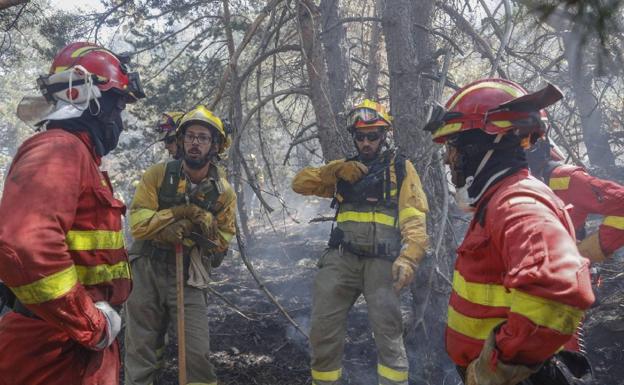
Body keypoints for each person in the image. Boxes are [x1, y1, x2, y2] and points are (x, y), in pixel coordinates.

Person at [424, 78, 595, 385]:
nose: (449, 158)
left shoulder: (516, 203)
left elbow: (558, 293)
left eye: (453, 145)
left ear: (480, 145)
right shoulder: (499, 199)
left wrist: (497, 368)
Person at [0, 41, 145, 385]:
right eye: (116, 105)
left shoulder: (80, 157)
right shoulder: (59, 149)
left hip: (73, 347)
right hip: (51, 351)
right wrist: (90, 323)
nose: (119, 121)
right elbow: (25, 247)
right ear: (85, 97)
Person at [292, 99, 429, 385]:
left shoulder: (401, 169)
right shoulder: (343, 169)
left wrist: (408, 258)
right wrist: (335, 171)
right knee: (323, 330)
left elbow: (414, 219)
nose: (366, 142)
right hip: (342, 259)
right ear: (354, 137)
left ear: (384, 135)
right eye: (361, 136)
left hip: (382, 263)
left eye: (373, 136)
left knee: (389, 335)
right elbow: (300, 183)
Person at [124, 105, 237, 385]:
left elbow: (223, 241)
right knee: (141, 349)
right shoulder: (158, 175)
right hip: (146, 269)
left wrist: (204, 232)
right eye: (190, 136)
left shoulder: (223, 193)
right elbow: (138, 223)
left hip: (188, 273)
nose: (194, 142)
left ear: (215, 146)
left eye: (202, 137)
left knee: (196, 353)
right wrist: (178, 215)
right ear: (182, 140)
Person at [527, 137, 624, 263]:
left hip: (566, 274)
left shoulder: (565, 180)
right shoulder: (505, 192)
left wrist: (583, 252)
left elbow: (620, 204)